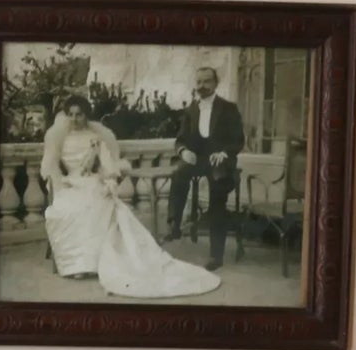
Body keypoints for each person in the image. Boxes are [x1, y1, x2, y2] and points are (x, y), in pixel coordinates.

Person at [42, 93, 220, 299]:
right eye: (71, 115)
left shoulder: (96, 137)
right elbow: (50, 166)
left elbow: (108, 165)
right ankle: (76, 264)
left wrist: (108, 181)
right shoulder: (59, 138)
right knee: (69, 208)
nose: (74, 119)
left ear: (86, 115)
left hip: (92, 181)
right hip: (69, 183)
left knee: (96, 203)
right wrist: (58, 182)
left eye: (79, 114)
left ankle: (92, 263)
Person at [167, 65, 245, 271]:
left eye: (207, 81)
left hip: (220, 160)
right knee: (179, 173)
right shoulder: (192, 108)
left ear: (215, 83)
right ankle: (174, 224)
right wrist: (184, 151)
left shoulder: (228, 108)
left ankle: (215, 255)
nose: (202, 86)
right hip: (198, 160)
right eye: (199, 82)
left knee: (217, 196)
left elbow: (238, 140)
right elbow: (180, 139)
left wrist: (225, 153)